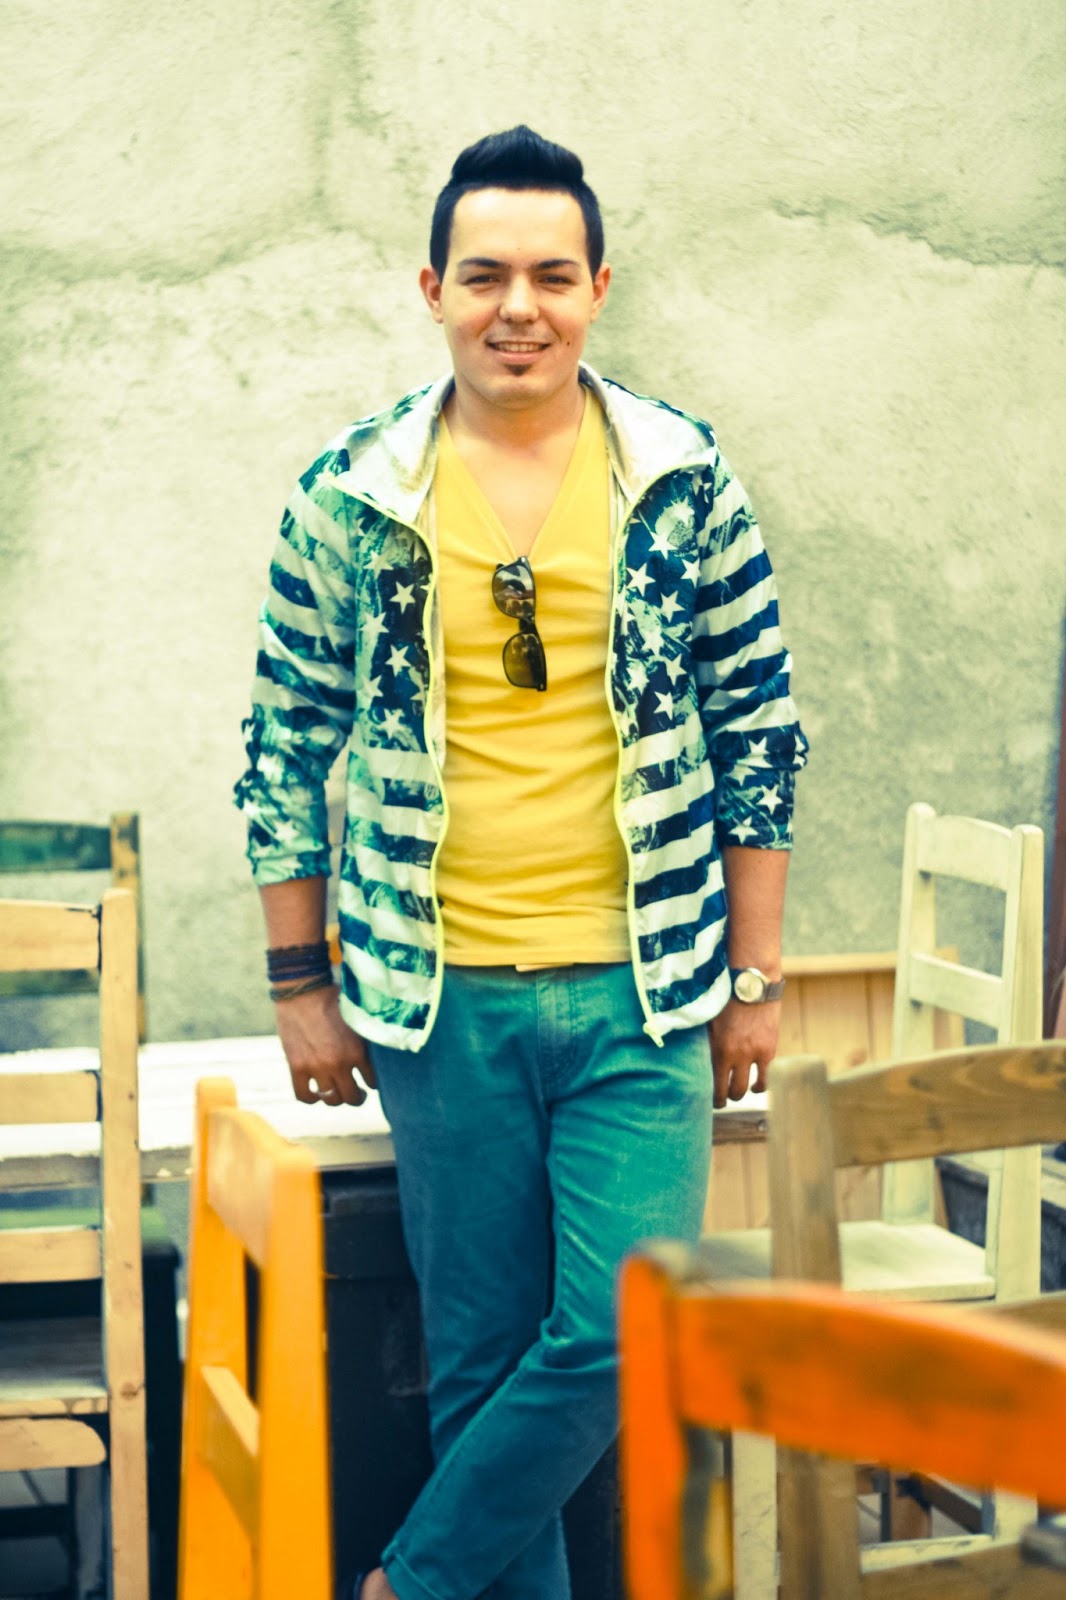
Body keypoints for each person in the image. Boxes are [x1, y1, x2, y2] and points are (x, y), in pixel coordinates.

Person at [235, 125, 808, 1600]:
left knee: (621, 1328)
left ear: (597, 288)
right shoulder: (352, 496)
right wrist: (300, 986)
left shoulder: (681, 478)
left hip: (644, 993)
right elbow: (285, 746)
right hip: (440, 1004)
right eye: (484, 274)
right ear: (432, 289)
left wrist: (753, 976)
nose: (519, 307)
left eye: (552, 275)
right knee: (482, 1360)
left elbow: (759, 727)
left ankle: (408, 1583)